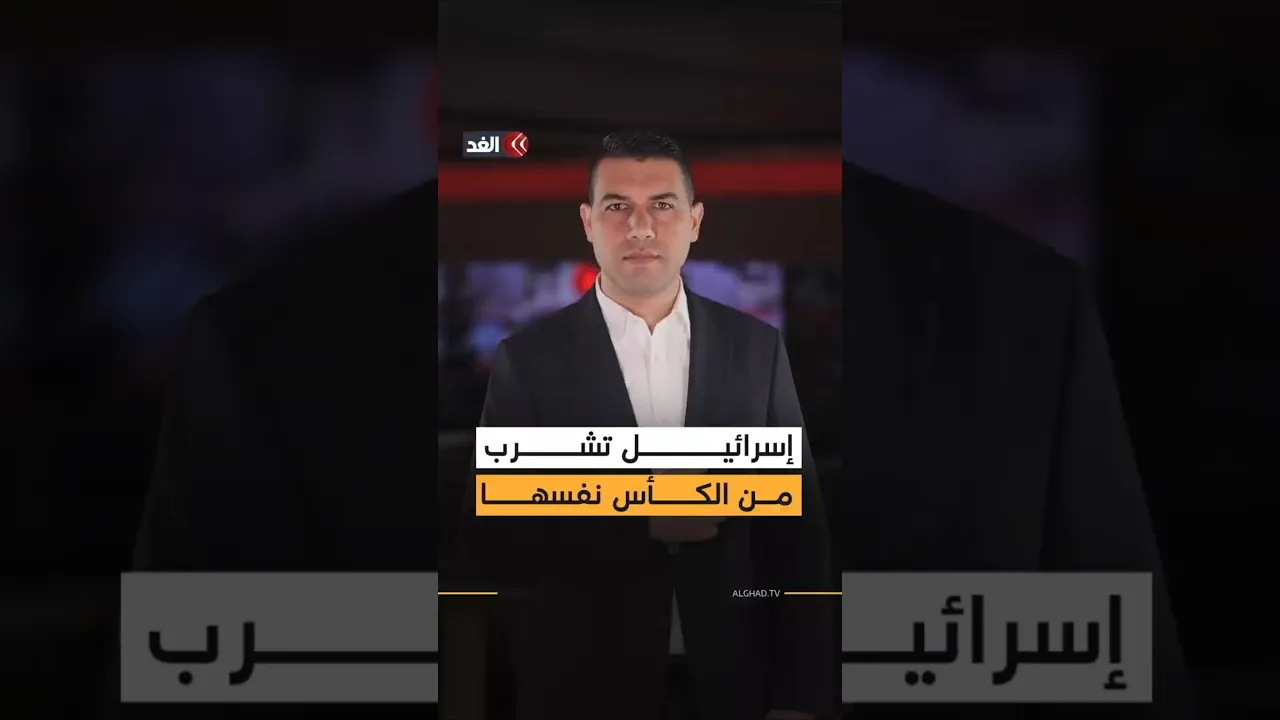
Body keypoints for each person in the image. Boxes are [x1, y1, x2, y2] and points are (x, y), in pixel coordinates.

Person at [458, 131, 835, 720]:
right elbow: (490, 538)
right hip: (583, 689)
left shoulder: (756, 348)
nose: (640, 227)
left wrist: (801, 700)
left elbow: (800, 540)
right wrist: (642, 519)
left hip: (736, 686)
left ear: (695, 221)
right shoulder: (528, 359)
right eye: (617, 206)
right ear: (587, 223)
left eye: (662, 204)